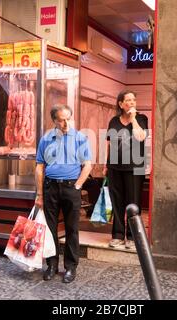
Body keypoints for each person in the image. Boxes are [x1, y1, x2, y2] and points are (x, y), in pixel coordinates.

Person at [35, 104, 92, 283]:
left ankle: (70, 267)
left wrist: (78, 185)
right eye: (61, 119)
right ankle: (52, 265)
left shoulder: (80, 138)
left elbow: (88, 165)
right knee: (50, 230)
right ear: (54, 121)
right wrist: (39, 194)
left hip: (70, 188)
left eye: (68, 118)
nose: (66, 122)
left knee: (71, 229)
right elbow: (39, 167)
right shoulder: (46, 138)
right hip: (50, 187)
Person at [103, 90, 148, 250]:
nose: (131, 103)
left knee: (133, 202)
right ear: (120, 104)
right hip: (115, 167)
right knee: (117, 202)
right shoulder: (114, 121)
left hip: (134, 168)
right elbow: (110, 144)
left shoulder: (142, 119)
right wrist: (106, 165)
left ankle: (132, 236)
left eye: (133, 100)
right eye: (128, 100)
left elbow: (141, 137)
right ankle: (117, 235)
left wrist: (133, 118)